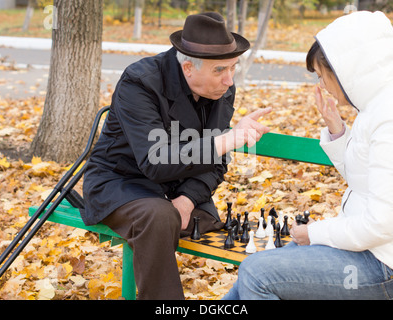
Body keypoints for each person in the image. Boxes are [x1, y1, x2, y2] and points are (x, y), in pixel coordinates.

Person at [223, 11, 393, 300]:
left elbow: (383, 224)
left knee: (257, 275)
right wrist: (337, 129)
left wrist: (315, 233)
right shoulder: (381, 104)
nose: (321, 85)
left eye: (322, 75)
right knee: (250, 272)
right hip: (372, 250)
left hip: (390, 266)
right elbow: (364, 179)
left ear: (348, 70)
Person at [81, 12, 270, 300]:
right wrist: (227, 140)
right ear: (188, 68)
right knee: (158, 217)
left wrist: (188, 199)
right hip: (122, 181)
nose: (229, 80)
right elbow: (155, 162)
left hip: (179, 188)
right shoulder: (140, 82)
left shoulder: (221, 90)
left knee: (199, 217)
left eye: (233, 68)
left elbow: (215, 163)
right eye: (220, 70)